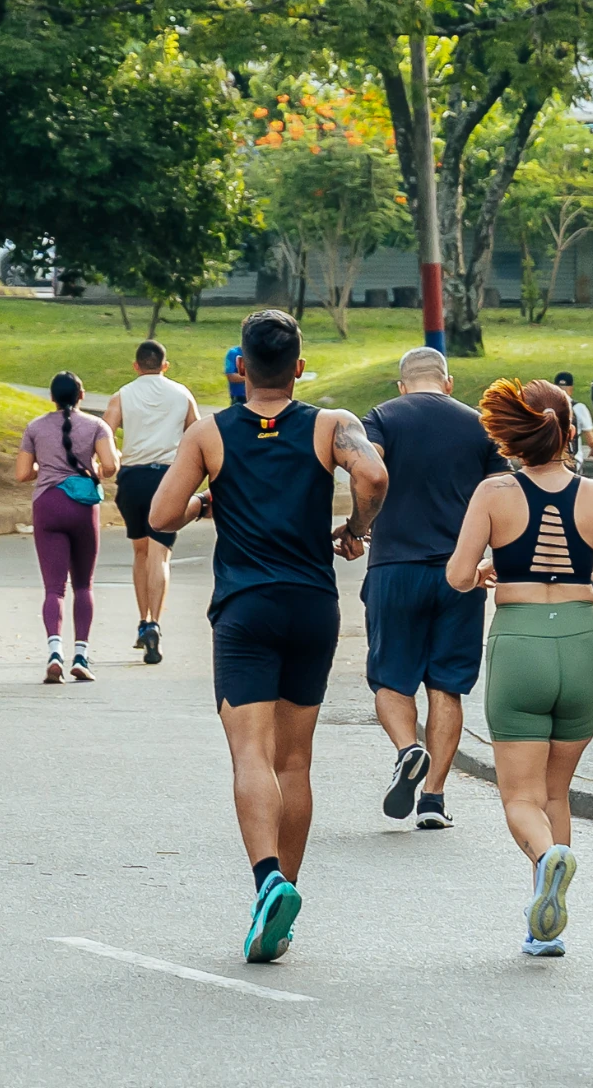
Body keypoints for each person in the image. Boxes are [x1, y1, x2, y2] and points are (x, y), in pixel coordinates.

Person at [149, 310, 389, 964]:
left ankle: (268, 884)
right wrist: (355, 528)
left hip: (246, 608)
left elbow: (161, 514)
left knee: (251, 753)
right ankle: (284, 902)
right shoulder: (334, 426)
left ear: (241, 369)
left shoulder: (209, 433)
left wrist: (206, 501)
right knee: (295, 760)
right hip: (312, 604)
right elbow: (373, 477)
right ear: (300, 368)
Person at [445, 379, 593, 958]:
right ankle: (546, 927)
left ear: (515, 433)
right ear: (565, 433)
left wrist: (486, 570)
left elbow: (458, 576)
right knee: (556, 792)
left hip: (520, 643)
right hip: (586, 642)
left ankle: (546, 859)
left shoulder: (494, 492)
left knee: (519, 797)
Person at [350, 347, 504, 830]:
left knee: (391, 679)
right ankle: (433, 798)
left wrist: (361, 524)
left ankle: (406, 749)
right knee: (447, 685)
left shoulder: (380, 417)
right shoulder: (480, 425)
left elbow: (366, 471)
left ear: (402, 385)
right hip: (460, 573)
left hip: (394, 567)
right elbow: (504, 493)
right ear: (448, 382)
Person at [17, 372, 120, 682]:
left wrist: (45, 467)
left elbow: (22, 473)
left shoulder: (34, 427)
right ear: (82, 395)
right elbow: (111, 467)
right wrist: (98, 469)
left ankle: (54, 652)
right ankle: (81, 655)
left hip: (47, 505)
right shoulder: (97, 426)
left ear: (51, 397)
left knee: (54, 588)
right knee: (83, 585)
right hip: (82, 507)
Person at [102, 340, 200, 664]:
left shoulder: (122, 395)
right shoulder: (182, 394)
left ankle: (143, 621)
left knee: (141, 551)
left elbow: (103, 432)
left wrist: (114, 456)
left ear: (136, 366)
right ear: (164, 365)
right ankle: (155, 623)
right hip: (168, 480)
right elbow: (197, 435)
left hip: (133, 479)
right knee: (160, 555)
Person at [552, 372, 593, 461]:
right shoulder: (579, 408)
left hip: (549, 461)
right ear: (571, 388)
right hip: (573, 461)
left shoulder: (545, 408)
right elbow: (591, 440)